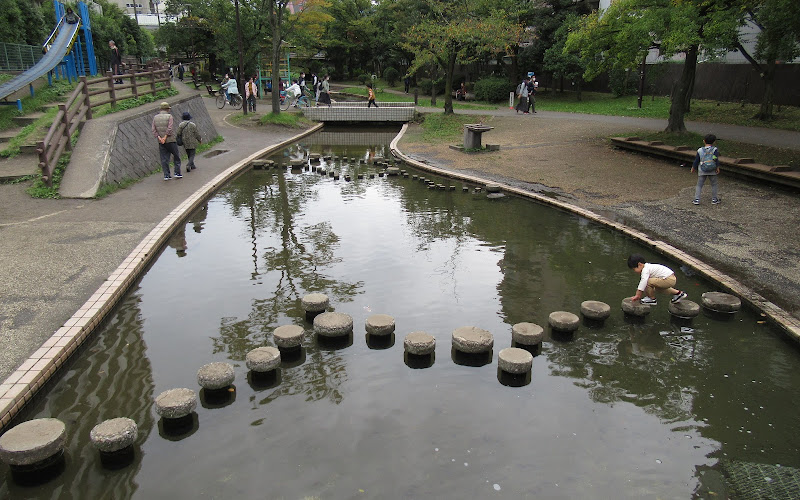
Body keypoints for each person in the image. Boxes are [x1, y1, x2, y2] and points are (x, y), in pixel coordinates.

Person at [151, 102, 182, 180]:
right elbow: (170, 128)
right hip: (170, 140)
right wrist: (165, 137)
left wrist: (160, 138)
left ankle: (166, 175)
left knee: (164, 158)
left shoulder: (155, 117)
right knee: (176, 156)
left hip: (160, 141)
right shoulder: (169, 116)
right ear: (167, 109)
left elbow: (153, 130)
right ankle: (177, 173)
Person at [691, 133, 721, 205]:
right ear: (714, 142)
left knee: (699, 185)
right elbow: (715, 159)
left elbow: (696, 160)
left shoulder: (700, 150)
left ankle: (697, 199)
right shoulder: (715, 150)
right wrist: (717, 167)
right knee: (714, 184)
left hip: (702, 169)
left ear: (704, 141)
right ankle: (714, 199)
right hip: (712, 169)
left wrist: (693, 167)